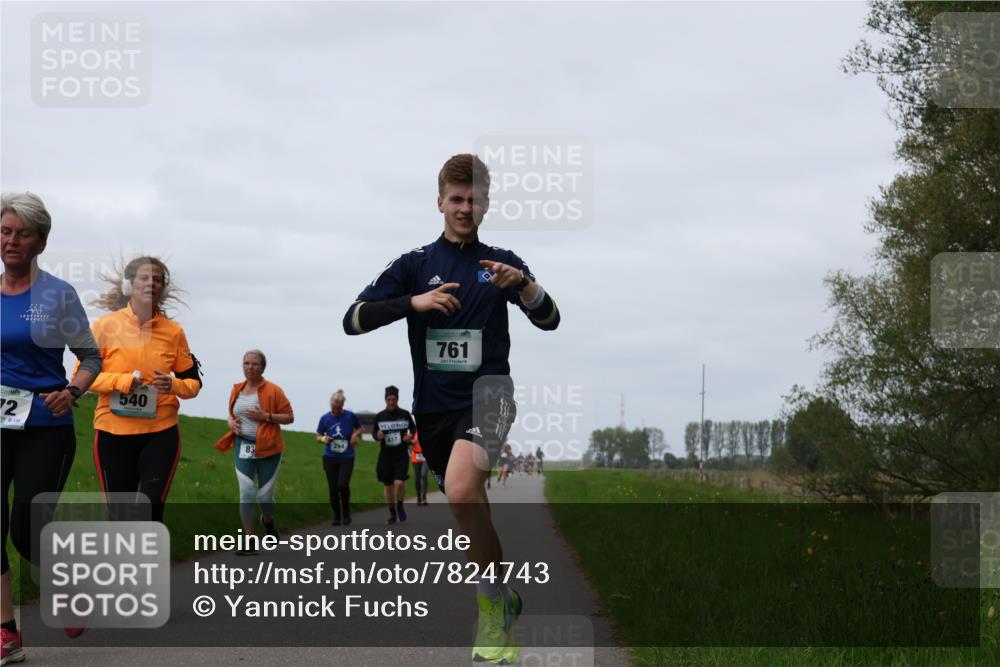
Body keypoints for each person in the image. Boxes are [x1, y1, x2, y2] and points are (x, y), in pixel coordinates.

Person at [343, 153, 560, 663]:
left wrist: (525, 286)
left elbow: (550, 319)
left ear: (486, 203)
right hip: (434, 412)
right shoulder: (414, 265)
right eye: (456, 199)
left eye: (474, 200)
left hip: (490, 397)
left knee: (462, 489)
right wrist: (412, 304)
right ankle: (502, 598)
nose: (465, 208)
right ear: (440, 201)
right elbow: (352, 319)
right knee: (469, 507)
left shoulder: (503, 263)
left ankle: (488, 613)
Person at [1, 193, 102, 663]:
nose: (11, 241)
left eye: (22, 233)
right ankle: (7, 632)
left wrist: (74, 391)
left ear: (40, 241)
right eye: (5, 231)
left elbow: (90, 356)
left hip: (45, 425)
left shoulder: (57, 294)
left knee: (26, 527)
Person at [85, 256, 202, 524]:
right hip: (113, 431)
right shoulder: (104, 326)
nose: (152, 283)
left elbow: (193, 384)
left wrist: (172, 384)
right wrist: (122, 382)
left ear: (163, 288)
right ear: (130, 285)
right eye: (145, 277)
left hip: (160, 431)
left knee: (151, 510)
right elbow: (85, 376)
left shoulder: (173, 333)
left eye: (158, 279)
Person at [214, 350, 293, 553]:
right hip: (243, 447)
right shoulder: (236, 389)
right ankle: (249, 539)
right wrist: (231, 422)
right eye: (246, 363)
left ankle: (268, 521)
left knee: (265, 497)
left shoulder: (274, 390)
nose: (250, 367)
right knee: (247, 492)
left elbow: (289, 417)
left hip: (269, 449)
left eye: (255, 364)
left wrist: (265, 416)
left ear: (262, 368)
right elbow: (231, 414)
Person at [316, 389, 361, 526]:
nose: (335, 411)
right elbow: (317, 436)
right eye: (333, 408)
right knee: (333, 487)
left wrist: (354, 435)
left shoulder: (350, 416)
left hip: (347, 456)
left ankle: (346, 513)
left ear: (342, 406)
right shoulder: (325, 418)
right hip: (330, 457)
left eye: (338, 408)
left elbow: (360, 428)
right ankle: (336, 516)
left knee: (342, 484)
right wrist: (324, 439)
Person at [373, 385, 416, 524]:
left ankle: (400, 504)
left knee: (400, 483)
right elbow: (374, 433)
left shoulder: (404, 414)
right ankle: (392, 514)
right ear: (385, 400)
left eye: (393, 399)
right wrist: (377, 435)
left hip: (401, 454)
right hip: (386, 456)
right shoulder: (380, 416)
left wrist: (410, 436)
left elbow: (414, 428)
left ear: (397, 399)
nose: (391, 402)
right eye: (389, 399)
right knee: (388, 486)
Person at [410, 431, 430, 505]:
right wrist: (412, 441)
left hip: (425, 456)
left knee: (424, 475)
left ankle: (424, 496)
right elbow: (408, 442)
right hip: (416, 456)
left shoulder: (426, 428)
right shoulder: (413, 430)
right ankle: (419, 497)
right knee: (417, 477)